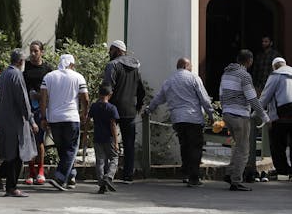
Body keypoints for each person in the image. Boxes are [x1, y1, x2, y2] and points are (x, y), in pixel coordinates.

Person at [145, 58, 214, 187]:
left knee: (185, 146)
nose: (192, 68)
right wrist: (211, 114)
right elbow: (204, 99)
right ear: (185, 65)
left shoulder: (169, 81)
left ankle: (187, 174)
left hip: (178, 119)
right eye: (191, 65)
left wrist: (149, 109)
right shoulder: (194, 78)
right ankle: (194, 178)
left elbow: (158, 98)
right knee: (195, 147)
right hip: (193, 118)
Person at [219, 49, 270, 191]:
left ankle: (230, 173)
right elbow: (252, 98)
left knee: (237, 146)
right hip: (240, 115)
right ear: (250, 61)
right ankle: (236, 180)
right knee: (243, 149)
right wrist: (264, 116)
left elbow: (221, 94)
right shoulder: (244, 75)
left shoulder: (226, 74)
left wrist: (224, 110)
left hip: (227, 114)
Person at [0, 49, 37, 198]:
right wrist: (31, 120)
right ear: (21, 61)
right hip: (16, 121)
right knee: (16, 154)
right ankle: (12, 187)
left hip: (6, 119)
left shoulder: (4, 73)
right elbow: (23, 99)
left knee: (13, 153)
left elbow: (1, 97)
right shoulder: (17, 74)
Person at [40, 53, 89, 190]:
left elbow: (43, 99)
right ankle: (61, 177)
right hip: (71, 118)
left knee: (62, 149)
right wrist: (84, 113)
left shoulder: (48, 77)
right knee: (71, 148)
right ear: (71, 64)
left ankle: (71, 175)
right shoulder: (78, 77)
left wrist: (43, 117)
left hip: (54, 119)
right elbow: (85, 98)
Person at [102, 40, 145, 183]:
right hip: (130, 111)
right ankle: (128, 175)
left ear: (118, 50)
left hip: (113, 109)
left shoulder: (112, 65)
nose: (109, 52)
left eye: (111, 50)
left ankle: (108, 174)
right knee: (129, 144)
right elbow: (141, 90)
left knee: (108, 142)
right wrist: (138, 105)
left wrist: (104, 104)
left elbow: (108, 87)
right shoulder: (135, 67)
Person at [259, 57, 292, 182]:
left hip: (281, 115)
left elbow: (265, 96)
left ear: (274, 67)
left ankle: (283, 169)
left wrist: (256, 112)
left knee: (277, 144)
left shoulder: (275, 75)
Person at [22, 40, 52, 185]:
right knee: (28, 140)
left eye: (36, 51)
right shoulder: (25, 67)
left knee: (39, 140)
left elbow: (52, 91)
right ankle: (30, 171)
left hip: (41, 109)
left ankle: (40, 171)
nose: (33, 54)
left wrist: (41, 96)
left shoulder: (48, 69)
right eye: (31, 51)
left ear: (42, 52)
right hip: (27, 108)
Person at [89, 85, 120, 193]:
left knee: (100, 161)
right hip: (109, 138)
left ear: (99, 94)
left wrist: (85, 137)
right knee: (114, 158)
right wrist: (116, 142)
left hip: (97, 137)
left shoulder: (94, 106)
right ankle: (108, 177)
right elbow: (113, 125)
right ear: (110, 95)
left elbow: (88, 121)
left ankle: (101, 184)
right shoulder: (112, 108)